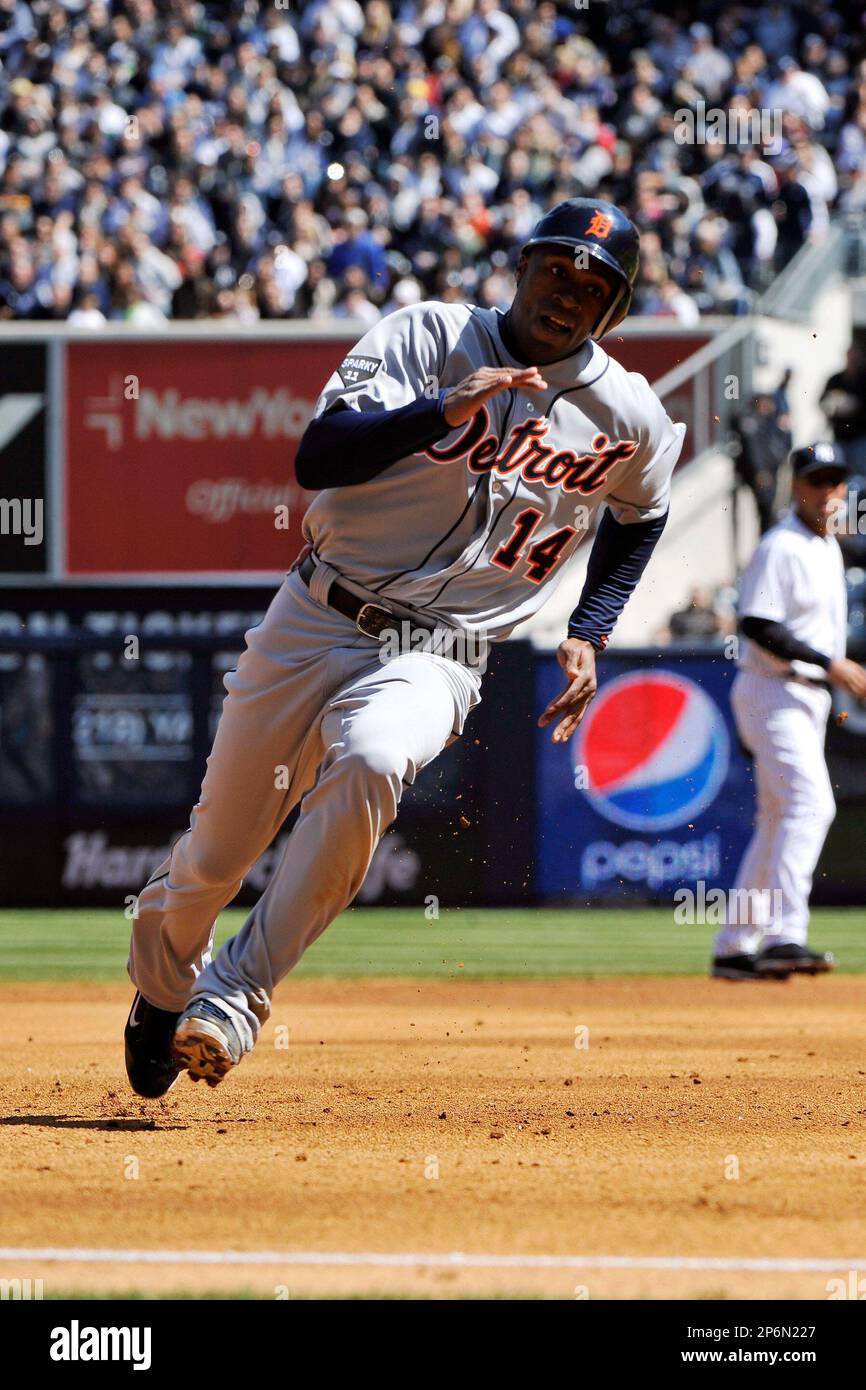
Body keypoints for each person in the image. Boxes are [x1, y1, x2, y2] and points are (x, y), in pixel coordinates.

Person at [123, 198, 685, 1095]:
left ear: (613, 309)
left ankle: (232, 999)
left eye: (593, 286)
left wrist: (590, 629)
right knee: (217, 856)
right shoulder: (428, 336)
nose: (568, 295)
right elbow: (321, 456)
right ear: (523, 267)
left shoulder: (631, 414)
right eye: (556, 271)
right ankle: (160, 995)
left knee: (378, 757)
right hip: (316, 615)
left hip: (444, 650)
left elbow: (641, 515)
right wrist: (438, 410)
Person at [711, 443, 866, 981]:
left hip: (803, 695)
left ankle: (735, 946)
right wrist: (832, 663)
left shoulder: (826, 547)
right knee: (811, 805)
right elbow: (756, 624)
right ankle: (784, 935)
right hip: (773, 690)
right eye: (816, 481)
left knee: (777, 819)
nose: (827, 491)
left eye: (834, 481)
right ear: (797, 486)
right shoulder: (782, 546)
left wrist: (829, 668)